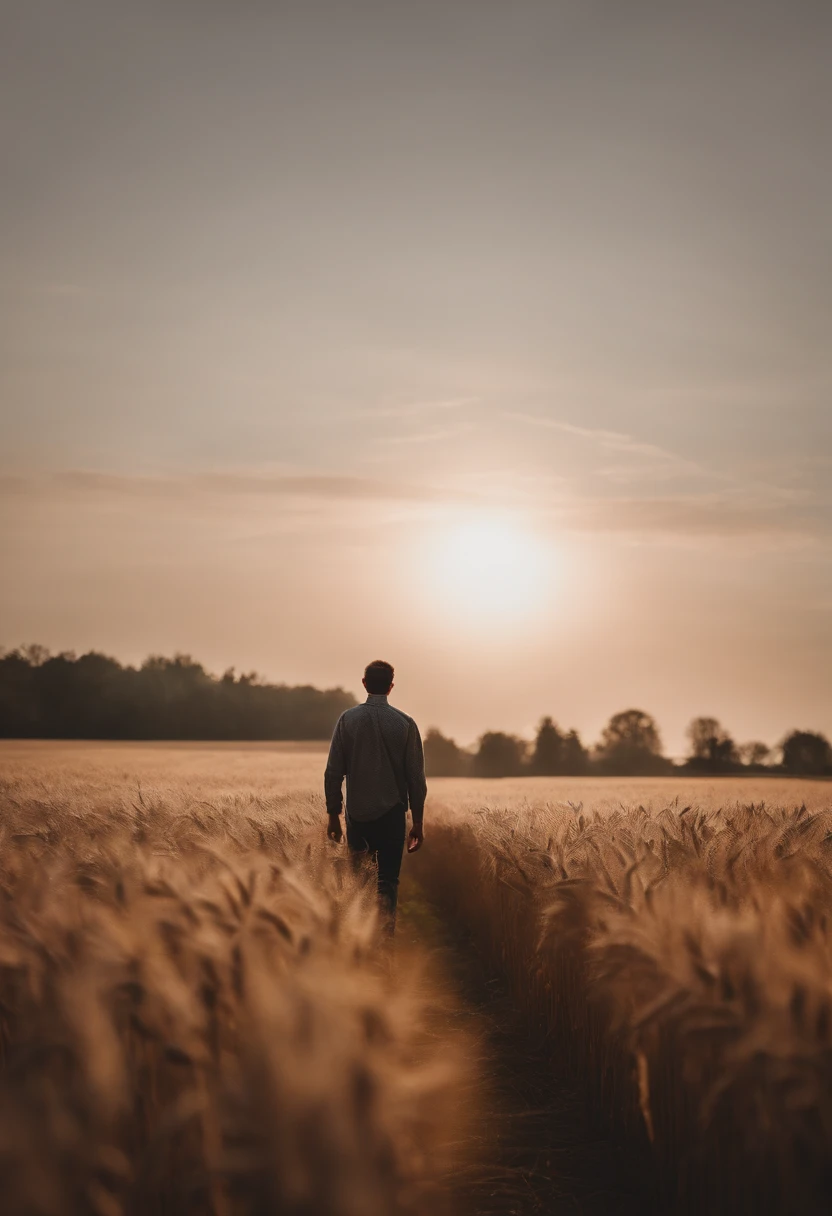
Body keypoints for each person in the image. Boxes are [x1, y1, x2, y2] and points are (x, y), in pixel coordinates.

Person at [324, 659, 426, 929]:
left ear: (364, 683)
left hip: (357, 817)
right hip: (392, 816)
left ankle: (361, 943)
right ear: (391, 687)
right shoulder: (405, 724)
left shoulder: (348, 720)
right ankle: (385, 945)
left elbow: (333, 772)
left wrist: (333, 815)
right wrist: (418, 821)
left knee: (359, 882)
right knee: (388, 882)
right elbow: (416, 778)